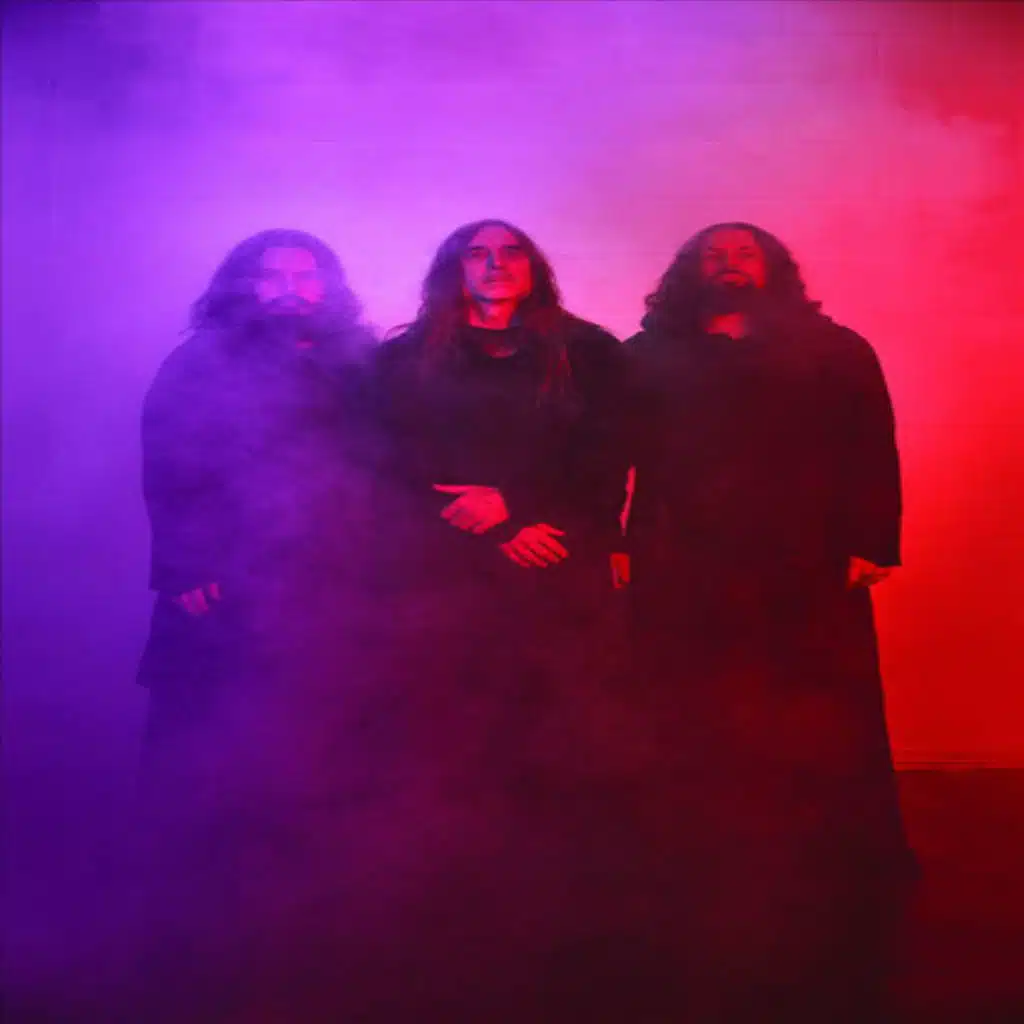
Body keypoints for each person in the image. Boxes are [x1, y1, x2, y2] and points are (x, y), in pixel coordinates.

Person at [622, 222, 916, 1021]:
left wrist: (871, 540)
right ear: (688, 271)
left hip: (806, 560)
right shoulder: (644, 357)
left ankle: (832, 856)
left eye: (744, 253)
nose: (728, 264)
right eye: (713, 254)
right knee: (697, 708)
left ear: (774, 269)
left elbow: (871, 447)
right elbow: (606, 454)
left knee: (819, 707)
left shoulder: (835, 350)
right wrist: (617, 543)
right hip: (685, 559)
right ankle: (708, 852)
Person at [367, 219, 637, 1022]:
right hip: (442, 569)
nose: (494, 265)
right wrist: (487, 523)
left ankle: (557, 899)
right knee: (452, 729)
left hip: (556, 558)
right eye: (477, 254)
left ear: (534, 268)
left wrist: (519, 510)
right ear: (454, 270)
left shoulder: (588, 352)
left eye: (510, 251)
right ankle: (453, 888)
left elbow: (608, 459)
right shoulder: (403, 359)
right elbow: (382, 461)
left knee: (556, 726)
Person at [134, 228, 384, 1018]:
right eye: (272, 275)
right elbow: (166, 467)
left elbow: (389, 460)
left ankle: (315, 917)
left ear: (329, 286)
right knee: (205, 741)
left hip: (332, 584)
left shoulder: (360, 362)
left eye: (306, 275)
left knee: (324, 744)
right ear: (242, 285)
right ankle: (190, 925)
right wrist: (185, 567)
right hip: (225, 583)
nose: (290, 288)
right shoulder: (199, 361)